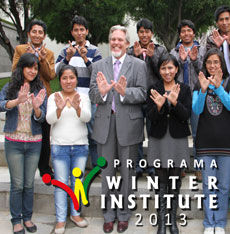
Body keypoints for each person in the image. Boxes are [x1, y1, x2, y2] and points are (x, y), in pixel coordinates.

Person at [89, 25, 147, 233]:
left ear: (127, 43)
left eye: (120, 39)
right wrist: (103, 93)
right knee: (107, 173)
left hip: (129, 126)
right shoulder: (98, 66)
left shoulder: (138, 65)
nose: (116, 42)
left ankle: (124, 215)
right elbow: (93, 95)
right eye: (113, 39)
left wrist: (124, 92)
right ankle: (108, 214)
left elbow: (142, 93)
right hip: (105, 125)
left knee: (127, 172)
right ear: (109, 41)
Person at [192, 48, 230, 234]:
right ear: (205, 64)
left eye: (216, 62)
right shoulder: (200, 83)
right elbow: (196, 110)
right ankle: (208, 222)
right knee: (208, 184)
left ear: (222, 65)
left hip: (227, 143)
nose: (212, 65)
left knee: (224, 185)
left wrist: (218, 87)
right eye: (209, 62)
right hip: (205, 143)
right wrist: (203, 90)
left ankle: (219, 223)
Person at [0, 53, 47, 234]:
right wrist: (17, 101)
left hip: (34, 141)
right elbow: (1, 104)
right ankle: (16, 220)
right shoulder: (12, 86)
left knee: (29, 183)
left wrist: (36, 107)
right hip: (14, 142)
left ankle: (27, 218)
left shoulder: (39, 87)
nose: (33, 71)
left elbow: (41, 117)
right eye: (29, 67)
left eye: (35, 68)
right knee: (17, 184)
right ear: (22, 68)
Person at [146, 53, 192, 234]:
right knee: (160, 181)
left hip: (177, 139)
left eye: (170, 67)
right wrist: (158, 107)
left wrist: (175, 103)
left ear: (177, 69)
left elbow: (186, 115)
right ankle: (161, 221)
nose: (167, 71)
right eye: (163, 68)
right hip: (158, 139)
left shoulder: (185, 89)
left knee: (174, 180)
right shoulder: (153, 89)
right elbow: (149, 116)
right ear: (159, 70)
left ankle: (173, 220)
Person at [46, 65, 91, 234]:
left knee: (77, 182)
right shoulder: (53, 97)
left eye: (71, 77)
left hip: (80, 145)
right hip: (59, 146)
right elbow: (49, 120)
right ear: (60, 80)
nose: (68, 81)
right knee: (61, 184)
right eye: (64, 78)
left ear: (77, 79)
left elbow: (87, 117)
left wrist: (77, 107)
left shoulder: (83, 97)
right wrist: (59, 108)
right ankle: (60, 219)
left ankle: (75, 214)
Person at [55, 15, 102, 168]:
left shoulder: (94, 51)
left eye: (82, 29)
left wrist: (85, 59)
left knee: (93, 132)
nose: (79, 33)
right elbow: (57, 72)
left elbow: (99, 73)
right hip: (70, 97)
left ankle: (96, 166)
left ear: (87, 31)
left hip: (90, 97)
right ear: (72, 32)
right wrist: (68, 57)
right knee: (73, 130)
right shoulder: (65, 50)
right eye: (76, 30)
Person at [12, 19, 56, 177]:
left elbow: (50, 75)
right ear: (29, 33)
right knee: (25, 130)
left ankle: (44, 167)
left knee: (44, 133)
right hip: (24, 95)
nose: (37, 35)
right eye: (34, 31)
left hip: (42, 96)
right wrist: (28, 57)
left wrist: (42, 59)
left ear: (44, 35)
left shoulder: (49, 53)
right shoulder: (20, 49)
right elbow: (14, 70)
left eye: (40, 32)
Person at [127, 18, 168, 179]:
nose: (144, 35)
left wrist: (152, 58)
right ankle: (138, 166)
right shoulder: (131, 51)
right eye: (141, 31)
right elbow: (127, 76)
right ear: (138, 33)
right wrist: (136, 58)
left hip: (154, 98)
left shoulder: (160, 50)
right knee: (136, 134)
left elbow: (164, 74)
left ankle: (152, 166)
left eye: (147, 31)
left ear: (152, 33)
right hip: (136, 98)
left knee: (154, 134)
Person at [171, 19, 206, 181]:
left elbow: (205, 72)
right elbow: (170, 71)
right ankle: (181, 166)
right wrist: (181, 60)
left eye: (189, 30)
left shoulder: (202, 50)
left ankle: (199, 167)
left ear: (194, 32)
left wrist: (194, 59)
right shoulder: (173, 52)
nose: (186, 33)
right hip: (179, 97)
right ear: (179, 34)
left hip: (197, 96)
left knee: (199, 133)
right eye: (183, 31)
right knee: (180, 133)